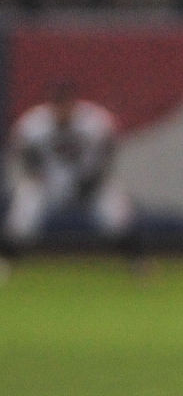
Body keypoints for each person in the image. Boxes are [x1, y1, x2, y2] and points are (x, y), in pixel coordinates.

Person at [2, 81, 143, 279]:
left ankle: (138, 263)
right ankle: (6, 263)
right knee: (24, 208)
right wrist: (37, 175)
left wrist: (94, 178)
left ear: (73, 104)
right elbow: (25, 155)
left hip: (89, 180)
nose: (62, 110)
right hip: (50, 183)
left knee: (115, 213)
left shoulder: (94, 120)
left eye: (65, 105)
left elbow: (108, 150)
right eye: (57, 105)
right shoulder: (33, 124)